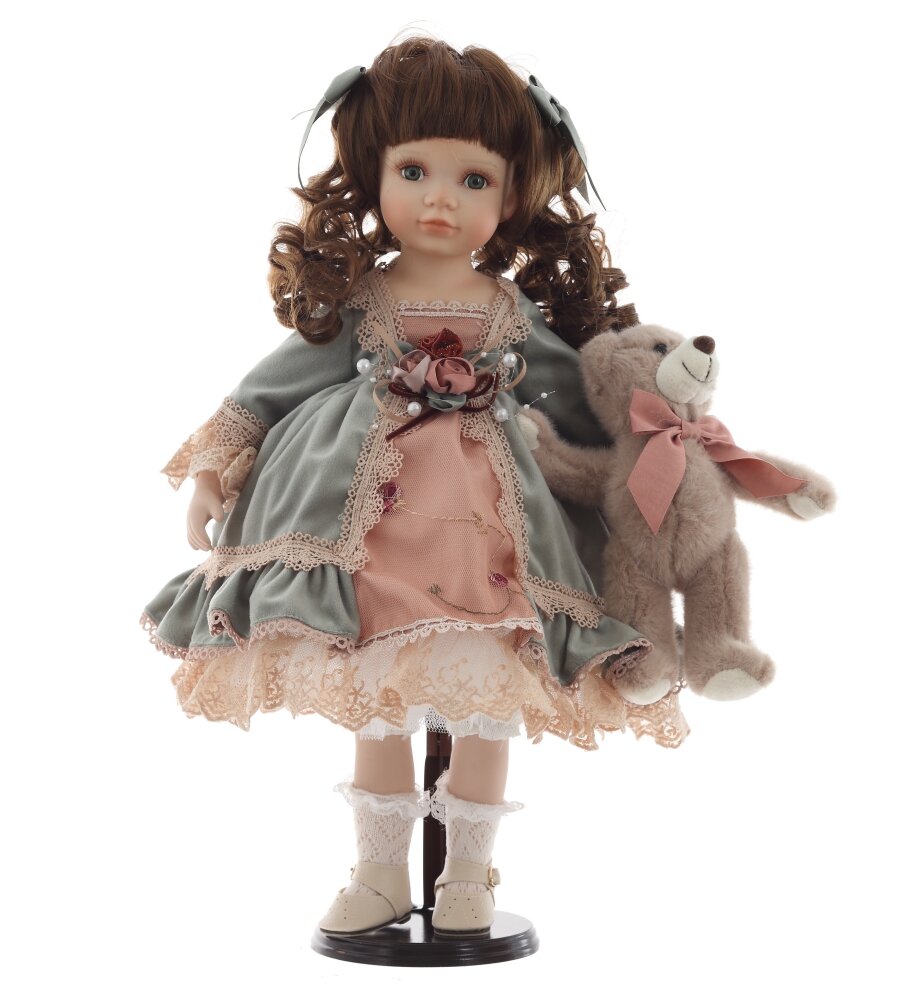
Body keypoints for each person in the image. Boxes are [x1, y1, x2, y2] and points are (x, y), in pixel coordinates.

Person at [142, 36, 687, 938]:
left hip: (491, 533)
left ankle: (469, 872)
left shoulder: (509, 312)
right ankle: (380, 871)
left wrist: (649, 449)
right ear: (375, 174)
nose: (442, 199)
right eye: (415, 171)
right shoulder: (367, 300)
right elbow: (274, 383)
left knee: (487, 689)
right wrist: (212, 468)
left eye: (474, 180)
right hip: (370, 530)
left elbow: (577, 396)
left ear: (511, 194)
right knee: (380, 689)